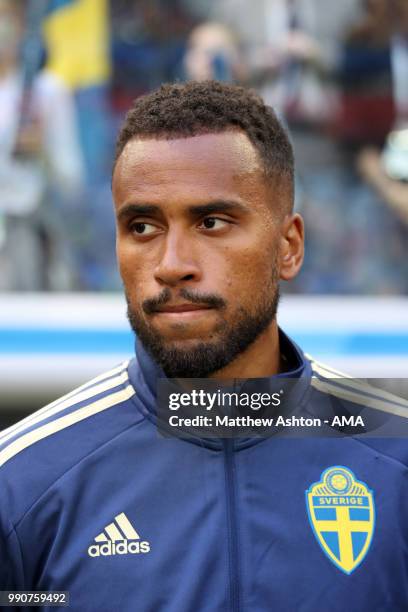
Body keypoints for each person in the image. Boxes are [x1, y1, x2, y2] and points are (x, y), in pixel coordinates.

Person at [0, 81, 407, 611]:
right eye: (142, 226)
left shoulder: (395, 462)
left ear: (289, 247)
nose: (171, 264)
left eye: (211, 222)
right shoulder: (22, 484)